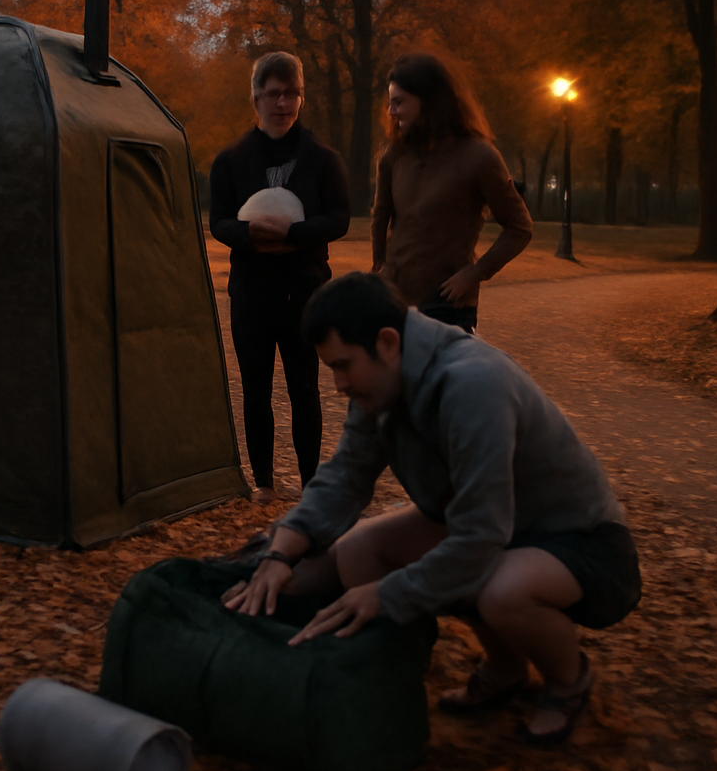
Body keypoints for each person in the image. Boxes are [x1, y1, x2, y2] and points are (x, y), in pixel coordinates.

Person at [224, 273, 640, 744]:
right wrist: (279, 553)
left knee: (503, 591)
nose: (338, 384)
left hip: (581, 541)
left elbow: (481, 536)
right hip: (498, 528)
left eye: (344, 366)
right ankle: (506, 669)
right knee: (360, 551)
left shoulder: (472, 385)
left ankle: (569, 681)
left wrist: (387, 594)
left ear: (387, 342)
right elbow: (344, 478)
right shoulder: (379, 380)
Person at [209, 52, 350, 505]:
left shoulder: (325, 160)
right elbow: (219, 222)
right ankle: (265, 483)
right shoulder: (230, 160)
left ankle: (311, 483)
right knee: (255, 389)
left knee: (304, 388)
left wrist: (294, 235)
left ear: (301, 98)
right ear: (257, 98)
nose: (283, 102)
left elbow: (339, 218)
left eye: (292, 93)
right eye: (274, 93)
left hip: (305, 290)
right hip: (251, 292)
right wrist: (250, 236)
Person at [372, 52, 532, 333]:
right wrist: (379, 265)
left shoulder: (479, 157)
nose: (391, 112)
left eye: (399, 102)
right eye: (390, 102)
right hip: (394, 300)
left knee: (438, 378)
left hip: (447, 304)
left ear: (428, 102)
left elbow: (520, 227)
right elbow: (381, 214)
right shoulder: (393, 156)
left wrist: (476, 272)